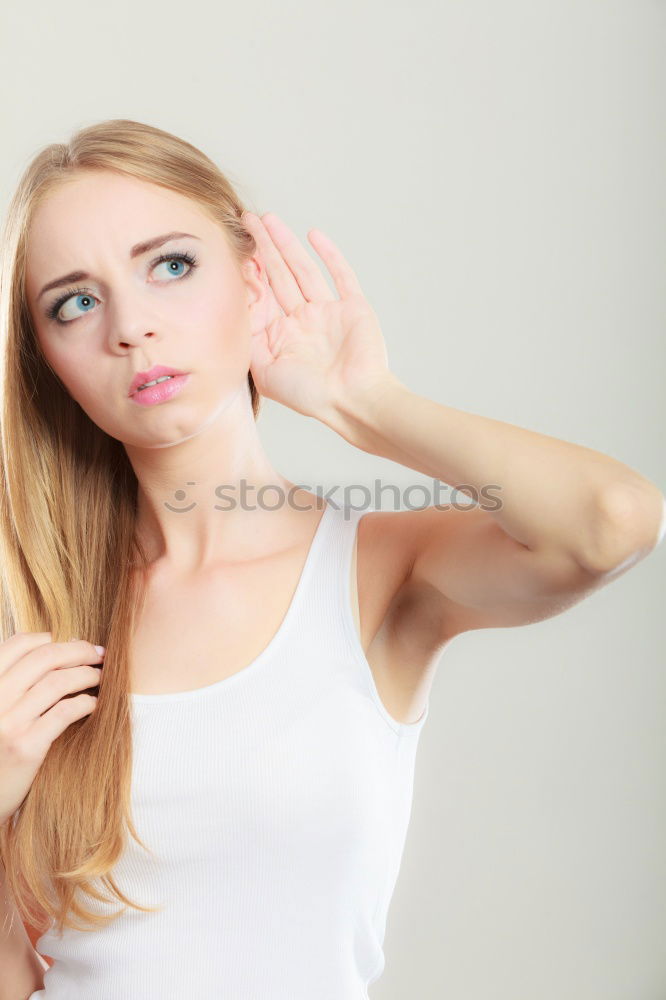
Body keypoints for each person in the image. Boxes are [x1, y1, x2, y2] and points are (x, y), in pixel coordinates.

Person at [0, 118, 663, 1000]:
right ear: (48, 358)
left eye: (169, 265)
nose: (132, 328)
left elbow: (610, 522)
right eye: (75, 302)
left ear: (253, 276)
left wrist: (362, 403)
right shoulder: (36, 613)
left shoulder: (378, 567)